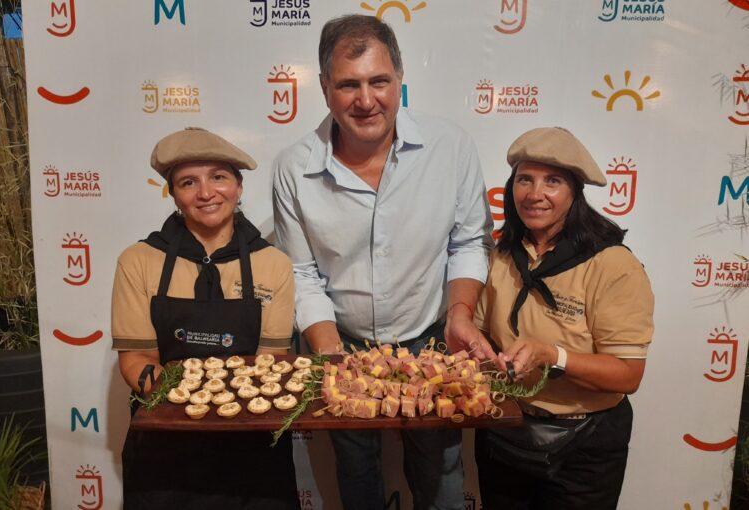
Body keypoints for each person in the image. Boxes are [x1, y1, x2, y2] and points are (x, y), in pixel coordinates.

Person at [272, 14, 494, 510]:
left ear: (400, 78)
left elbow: (468, 242)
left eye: (379, 81)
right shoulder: (292, 167)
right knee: (356, 472)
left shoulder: (450, 147)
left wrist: (460, 315)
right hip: (342, 341)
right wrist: (331, 355)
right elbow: (301, 274)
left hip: (432, 339)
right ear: (325, 88)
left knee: (442, 473)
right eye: (348, 85)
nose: (366, 100)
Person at [111, 127, 300, 509]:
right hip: (166, 447)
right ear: (173, 194)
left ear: (239, 186)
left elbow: (271, 361)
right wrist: (187, 403)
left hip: (251, 445)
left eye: (218, 177)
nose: (206, 192)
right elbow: (136, 359)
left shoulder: (273, 264)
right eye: (188, 182)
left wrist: (223, 408)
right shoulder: (138, 261)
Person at [472, 127, 655, 509]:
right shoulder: (502, 254)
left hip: (584, 445)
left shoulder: (612, 264)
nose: (534, 193)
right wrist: (481, 356)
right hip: (505, 429)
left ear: (574, 192)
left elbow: (628, 374)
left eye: (552, 181)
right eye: (525, 179)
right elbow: (481, 332)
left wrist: (552, 356)